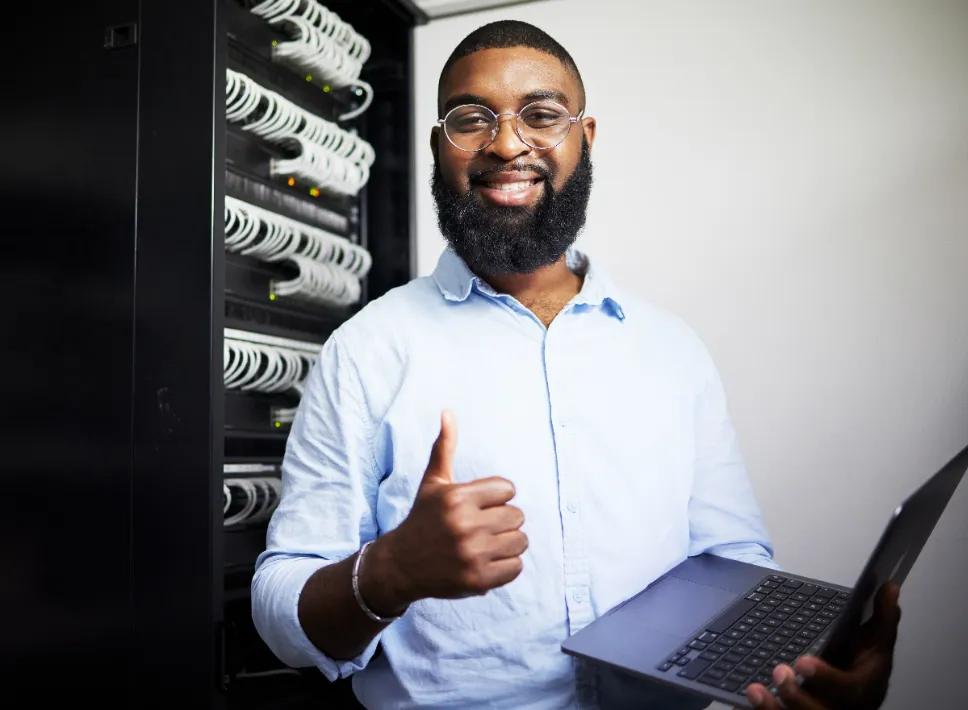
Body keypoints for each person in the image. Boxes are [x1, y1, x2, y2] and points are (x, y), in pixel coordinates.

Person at [252, 20, 901, 710]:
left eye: (541, 115)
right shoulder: (367, 350)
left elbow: (733, 562)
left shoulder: (672, 350)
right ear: (439, 146)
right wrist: (387, 573)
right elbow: (279, 610)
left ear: (584, 139)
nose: (506, 143)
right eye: (471, 119)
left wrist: (810, 668)